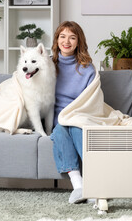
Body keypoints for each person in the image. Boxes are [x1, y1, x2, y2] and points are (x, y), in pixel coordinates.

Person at [50, 21, 96, 204]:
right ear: (57, 40)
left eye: (72, 37)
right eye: (62, 36)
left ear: (79, 42)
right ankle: (78, 185)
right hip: (58, 117)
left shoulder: (87, 68)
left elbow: (91, 99)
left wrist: (76, 115)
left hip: (80, 114)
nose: (66, 41)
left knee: (77, 130)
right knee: (61, 130)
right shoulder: (47, 65)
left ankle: (94, 184)